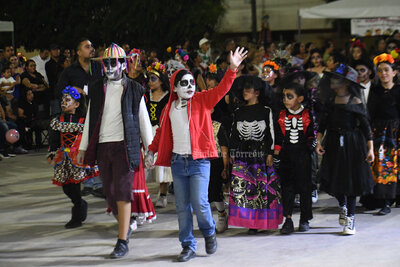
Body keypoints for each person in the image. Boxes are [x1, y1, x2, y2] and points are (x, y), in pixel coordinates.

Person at [146, 47, 248, 262]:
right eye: (185, 83)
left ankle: (209, 232)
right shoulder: (169, 108)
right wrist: (151, 151)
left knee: (201, 204)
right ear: (175, 86)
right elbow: (162, 133)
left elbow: (222, 89)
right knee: (182, 208)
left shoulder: (202, 100)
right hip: (177, 162)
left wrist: (232, 68)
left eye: (192, 82)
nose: (190, 86)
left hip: (199, 161)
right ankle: (187, 245)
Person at [77, 43, 152, 259]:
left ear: (123, 64)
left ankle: (121, 240)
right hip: (103, 146)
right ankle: (125, 226)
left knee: (122, 192)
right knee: (109, 194)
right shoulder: (97, 88)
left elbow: (143, 119)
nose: (110, 66)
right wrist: (83, 147)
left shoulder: (135, 89)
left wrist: (151, 149)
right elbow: (90, 118)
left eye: (114, 62)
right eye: (106, 62)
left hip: (124, 147)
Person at [316, 64, 375, 235]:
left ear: (346, 83)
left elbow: (366, 128)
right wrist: (319, 142)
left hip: (353, 144)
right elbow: (322, 125)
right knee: (333, 180)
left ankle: (350, 218)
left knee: (350, 182)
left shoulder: (355, 101)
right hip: (334, 143)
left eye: (338, 79)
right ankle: (342, 205)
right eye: (333, 78)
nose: (334, 82)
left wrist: (370, 149)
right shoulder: (330, 102)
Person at [228, 75, 283, 235]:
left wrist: (270, 153)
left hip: (261, 155)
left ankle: (263, 221)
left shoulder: (266, 111)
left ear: (257, 92)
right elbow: (234, 134)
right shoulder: (239, 112)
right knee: (245, 190)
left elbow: (272, 133)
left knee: (262, 189)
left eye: (248, 89)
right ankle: (250, 222)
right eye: (244, 89)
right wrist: (232, 151)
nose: (245, 92)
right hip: (242, 156)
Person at [57, 38, 103, 197]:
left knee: (97, 147)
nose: (92, 49)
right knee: (81, 149)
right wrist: (73, 89)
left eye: (92, 46)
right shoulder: (70, 71)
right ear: (78, 52)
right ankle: (87, 182)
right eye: (87, 46)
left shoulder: (99, 67)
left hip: (97, 111)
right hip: (80, 115)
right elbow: (59, 91)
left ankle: (98, 183)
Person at [47, 86, 98, 228]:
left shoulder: (83, 120)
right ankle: (81, 204)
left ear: (76, 104)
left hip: (77, 156)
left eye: (67, 100)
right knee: (66, 186)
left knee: (75, 185)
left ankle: (77, 216)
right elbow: (55, 138)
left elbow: (89, 138)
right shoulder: (58, 120)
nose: (64, 102)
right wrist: (52, 152)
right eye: (63, 100)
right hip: (63, 156)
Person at [274, 82, 315, 234]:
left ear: (300, 98)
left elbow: (312, 134)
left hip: (303, 156)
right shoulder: (281, 115)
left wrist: (312, 144)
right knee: (287, 189)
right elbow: (278, 138)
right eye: (284, 96)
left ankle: (305, 218)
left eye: (289, 96)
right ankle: (288, 219)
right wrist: (276, 155)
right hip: (286, 156)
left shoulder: (308, 114)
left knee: (305, 188)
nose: (285, 99)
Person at [368, 53, 400, 214]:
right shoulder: (375, 91)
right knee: (383, 166)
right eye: (380, 71)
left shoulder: (398, 90)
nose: (383, 74)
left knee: (396, 166)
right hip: (380, 133)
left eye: (386, 70)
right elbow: (370, 113)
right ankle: (385, 201)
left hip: (397, 131)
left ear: (394, 72)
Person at [145, 61, 173, 208]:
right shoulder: (145, 96)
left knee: (162, 164)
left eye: (153, 78)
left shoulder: (169, 97)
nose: (150, 82)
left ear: (161, 81)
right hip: (146, 131)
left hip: (162, 132)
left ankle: (163, 194)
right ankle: (142, 193)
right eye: (148, 79)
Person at [45, 44, 63, 116]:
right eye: (54, 49)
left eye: (57, 49)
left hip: (65, 92)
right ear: (50, 52)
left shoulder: (62, 62)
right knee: (56, 114)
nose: (56, 51)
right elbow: (54, 77)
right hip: (54, 93)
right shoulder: (48, 64)